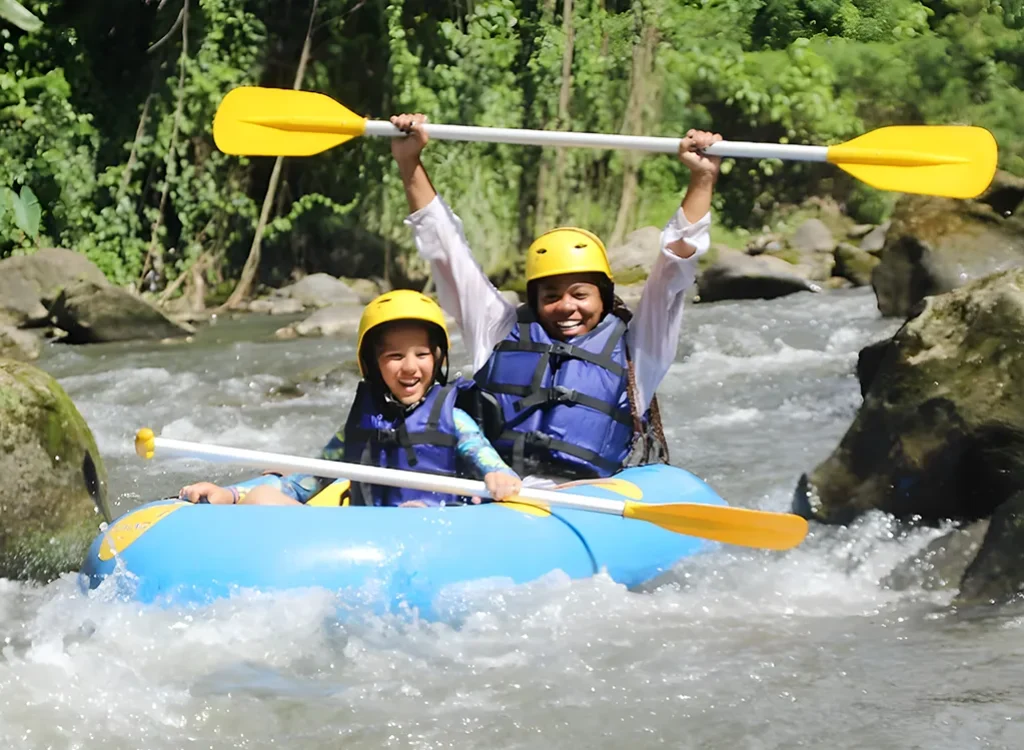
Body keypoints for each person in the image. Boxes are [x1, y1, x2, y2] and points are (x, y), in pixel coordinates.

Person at [389, 113, 723, 485]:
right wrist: (409, 162)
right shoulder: (499, 329)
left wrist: (702, 178)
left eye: (580, 294)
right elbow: (447, 252)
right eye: (550, 296)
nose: (566, 306)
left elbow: (673, 269)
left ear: (605, 296)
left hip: (585, 496)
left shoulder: (638, 351)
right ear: (533, 299)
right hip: (495, 491)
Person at [179, 290, 522, 507]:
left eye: (421, 354)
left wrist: (499, 478)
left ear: (438, 358)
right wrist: (233, 495)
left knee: (416, 513)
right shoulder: (357, 429)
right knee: (263, 499)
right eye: (394, 357)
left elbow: (492, 466)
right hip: (365, 539)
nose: (410, 367)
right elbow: (305, 483)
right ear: (372, 365)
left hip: (435, 531)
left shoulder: (455, 422)